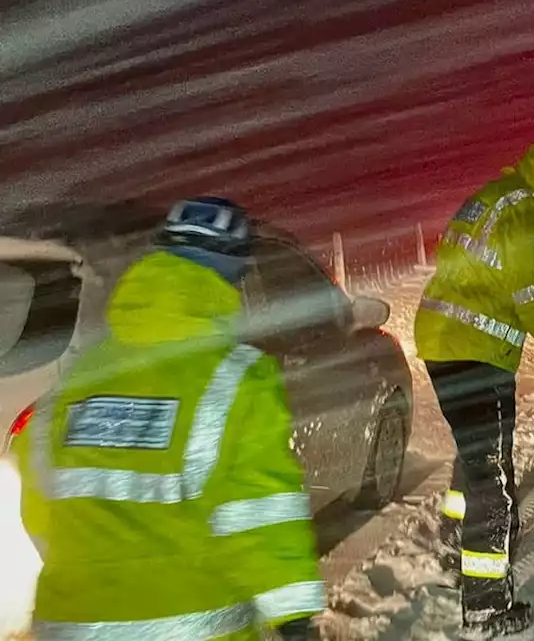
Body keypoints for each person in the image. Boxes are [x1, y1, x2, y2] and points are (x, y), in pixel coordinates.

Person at [14, 196, 325, 641]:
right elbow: (261, 513)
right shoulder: (237, 377)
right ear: (233, 277)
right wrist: (294, 619)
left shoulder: (84, 374)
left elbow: (41, 504)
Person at [415, 133, 534, 636]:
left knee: (474, 453)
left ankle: (456, 544)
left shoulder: (493, 198)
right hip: (476, 347)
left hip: (442, 338)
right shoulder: (523, 214)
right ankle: (485, 606)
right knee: (494, 477)